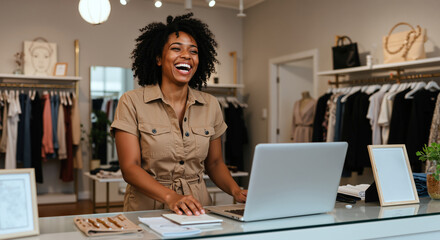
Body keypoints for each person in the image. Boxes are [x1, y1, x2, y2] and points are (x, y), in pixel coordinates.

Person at [111, 13, 247, 216]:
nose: (186, 56)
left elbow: (215, 163)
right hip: (147, 209)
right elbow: (130, 167)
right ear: (158, 58)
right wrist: (170, 197)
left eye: (193, 51)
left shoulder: (211, 105)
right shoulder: (131, 102)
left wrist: (237, 191)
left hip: (198, 208)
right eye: (176, 49)